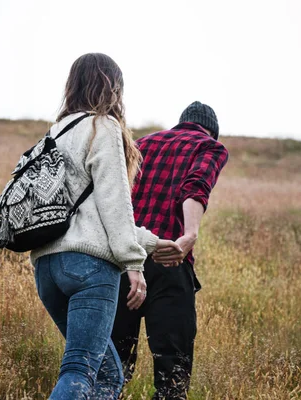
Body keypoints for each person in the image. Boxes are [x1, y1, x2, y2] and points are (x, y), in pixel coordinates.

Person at [29, 53, 181, 399]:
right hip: (88, 269)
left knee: (108, 374)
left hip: (47, 267)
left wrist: (153, 243)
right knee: (81, 370)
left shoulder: (54, 134)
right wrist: (134, 264)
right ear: (113, 87)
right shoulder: (103, 127)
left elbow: (89, 217)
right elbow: (114, 205)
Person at [111, 101, 229, 399]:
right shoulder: (209, 147)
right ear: (212, 133)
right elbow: (196, 185)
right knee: (172, 376)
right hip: (169, 262)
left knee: (111, 369)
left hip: (123, 262)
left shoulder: (142, 145)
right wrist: (189, 233)